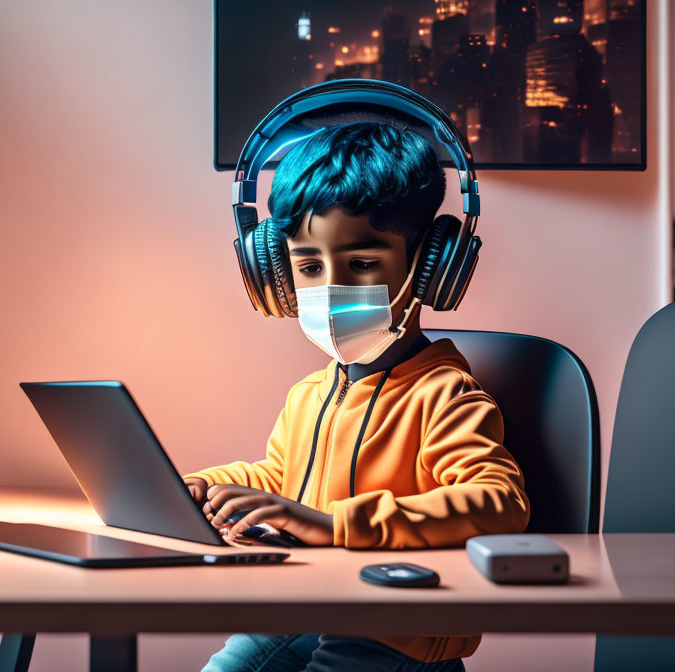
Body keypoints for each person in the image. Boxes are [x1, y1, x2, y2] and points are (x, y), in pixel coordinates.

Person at [183, 122, 530, 671]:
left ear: (430, 268)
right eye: (308, 266)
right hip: (309, 604)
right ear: (276, 274)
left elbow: (498, 501)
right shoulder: (311, 393)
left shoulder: (444, 394)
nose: (328, 288)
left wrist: (334, 526)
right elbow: (283, 481)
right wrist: (210, 485)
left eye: (363, 264)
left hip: (395, 634)